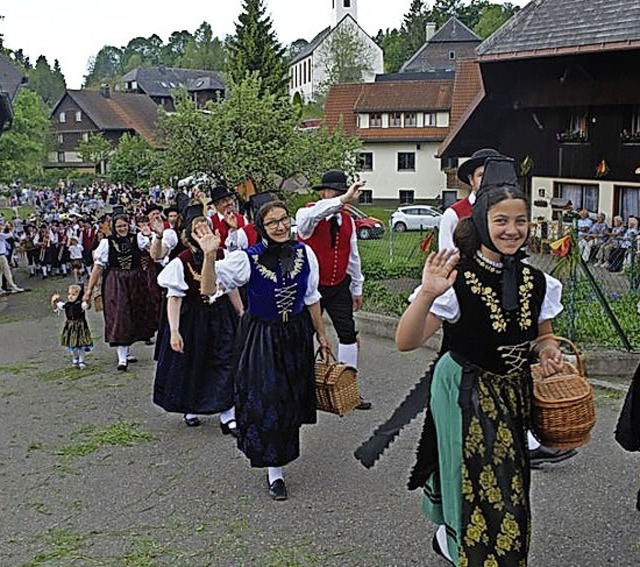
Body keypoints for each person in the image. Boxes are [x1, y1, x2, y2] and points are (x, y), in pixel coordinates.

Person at [396, 157, 566, 566]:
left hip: (512, 393)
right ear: (483, 222)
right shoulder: (458, 276)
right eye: (501, 220)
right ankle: (459, 547)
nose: (512, 230)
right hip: (464, 388)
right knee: (469, 480)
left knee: (510, 483)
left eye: (520, 221)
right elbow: (406, 341)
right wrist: (426, 293)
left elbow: (541, 339)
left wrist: (549, 353)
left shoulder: (536, 280)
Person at [441, 149, 576, 468]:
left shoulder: (525, 258)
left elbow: (545, 335)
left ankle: (525, 442)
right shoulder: (455, 213)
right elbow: (448, 255)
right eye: (479, 175)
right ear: (472, 181)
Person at [209, 199, 330, 500]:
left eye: (283, 219)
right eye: (272, 222)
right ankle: (274, 471)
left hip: (296, 335)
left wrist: (322, 335)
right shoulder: (246, 259)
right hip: (262, 336)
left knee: (289, 399)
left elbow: (312, 297)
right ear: (261, 227)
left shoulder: (305, 252)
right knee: (269, 399)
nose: (279, 226)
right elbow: (208, 288)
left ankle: (282, 454)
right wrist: (210, 254)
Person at [153, 205, 239, 431]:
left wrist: (241, 313)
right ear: (188, 235)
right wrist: (173, 331)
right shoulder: (181, 261)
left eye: (206, 226)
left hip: (220, 315)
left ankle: (227, 413)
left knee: (226, 361)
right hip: (194, 320)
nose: (203, 231)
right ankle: (191, 406)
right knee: (194, 363)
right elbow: (174, 298)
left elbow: (231, 287)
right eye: (197, 228)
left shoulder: (223, 254)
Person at [296, 170, 371, 410]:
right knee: (303, 335)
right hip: (311, 288)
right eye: (335, 193)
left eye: (342, 192)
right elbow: (314, 216)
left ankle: (349, 386)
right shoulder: (307, 214)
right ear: (324, 193)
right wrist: (341, 200)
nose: (341, 197)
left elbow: (353, 256)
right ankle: (301, 390)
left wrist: (357, 287)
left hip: (338, 285)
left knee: (348, 333)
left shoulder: (347, 220)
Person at [82, 212, 155, 370]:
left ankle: (127, 351)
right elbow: (98, 267)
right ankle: (122, 358)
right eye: (119, 226)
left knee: (134, 314)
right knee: (119, 314)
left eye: (124, 225)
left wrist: (152, 236)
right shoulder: (107, 243)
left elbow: (154, 252)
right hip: (116, 281)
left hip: (136, 280)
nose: (122, 229)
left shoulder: (138, 238)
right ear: (114, 228)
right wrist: (89, 290)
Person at [439, 148, 502, 251]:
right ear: (471, 179)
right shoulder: (453, 214)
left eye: (492, 174)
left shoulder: (508, 211)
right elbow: (446, 256)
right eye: (481, 175)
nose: (487, 179)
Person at [51, 284, 93, 369]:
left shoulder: (80, 304)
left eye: (73, 295)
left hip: (80, 326)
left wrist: (88, 298)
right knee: (72, 344)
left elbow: (87, 306)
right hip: (70, 326)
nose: (70, 296)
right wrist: (54, 301)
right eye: (69, 294)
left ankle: (81, 360)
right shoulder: (67, 305)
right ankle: (75, 358)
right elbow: (57, 307)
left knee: (81, 344)